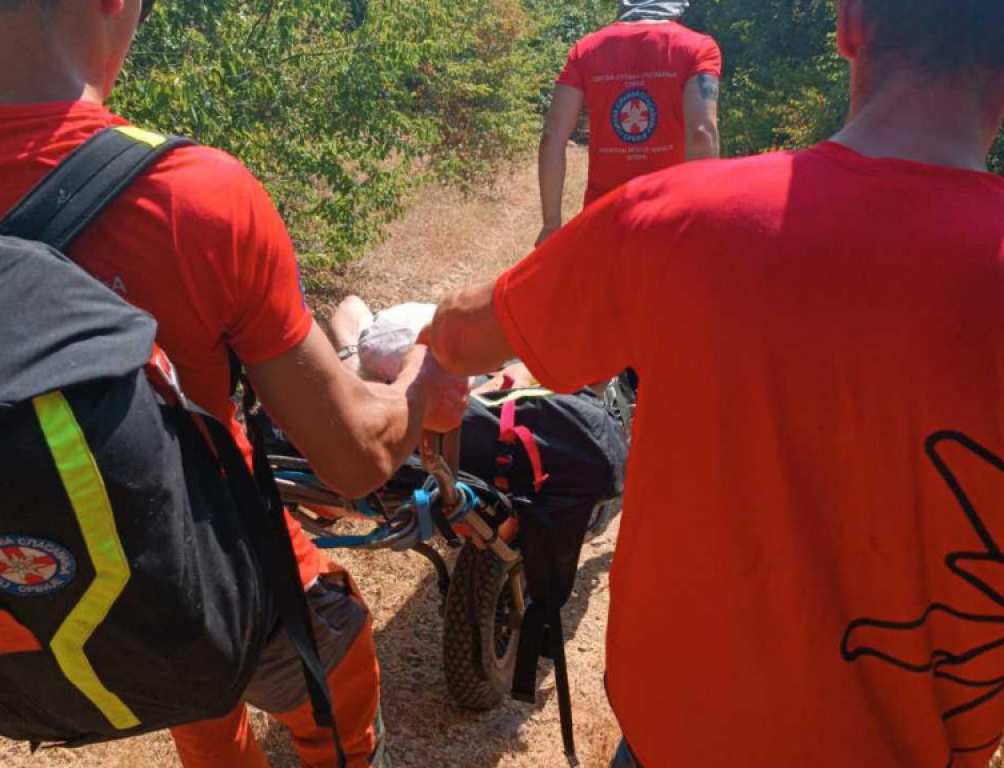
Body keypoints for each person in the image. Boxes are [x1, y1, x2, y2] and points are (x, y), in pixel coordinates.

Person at [0, 2, 468, 767]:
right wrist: (420, 380)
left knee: (190, 667)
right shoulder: (194, 194)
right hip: (185, 595)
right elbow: (353, 458)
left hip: (30, 606)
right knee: (334, 638)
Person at [425, 0, 1004, 765]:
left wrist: (415, 330)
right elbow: (701, 131)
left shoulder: (678, 220)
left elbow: (467, 336)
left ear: (850, 24)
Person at [537, 0, 721, 246]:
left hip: (604, 221)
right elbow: (702, 134)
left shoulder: (585, 50)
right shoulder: (698, 48)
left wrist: (551, 225)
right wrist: (704, 220)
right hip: (671, 222)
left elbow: (552, 137)